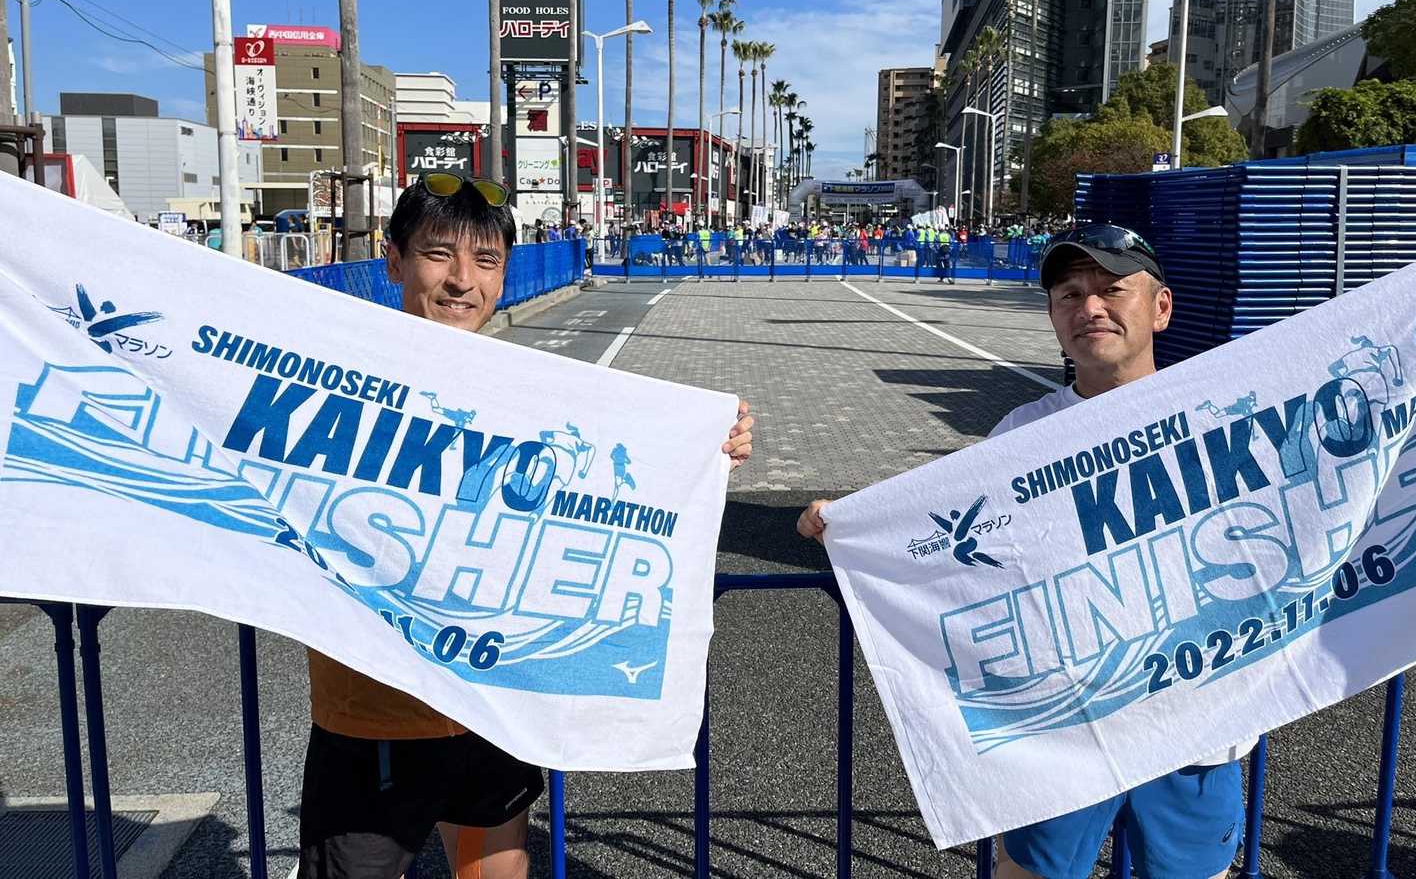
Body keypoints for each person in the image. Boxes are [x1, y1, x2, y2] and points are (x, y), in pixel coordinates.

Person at [301, 172, 755, 879]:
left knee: (499, 872)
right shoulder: (333, 373)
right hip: (376, 712)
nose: (461, 280)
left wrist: (704, 446)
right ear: (393, 261)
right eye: (437, 254)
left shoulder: (533, 391)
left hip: (497, 702)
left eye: (485, 261)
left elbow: (614, 481)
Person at [796, 222, 1248, 879]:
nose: (1089, 308)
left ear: (1160, 307)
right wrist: (850, 525)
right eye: (1069, 295)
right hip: (1066, 727)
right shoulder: (1021, 433)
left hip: (1195, 718)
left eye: (1110, 289)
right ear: (1053, 316)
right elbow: (954, 539)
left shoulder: (1218, 411)